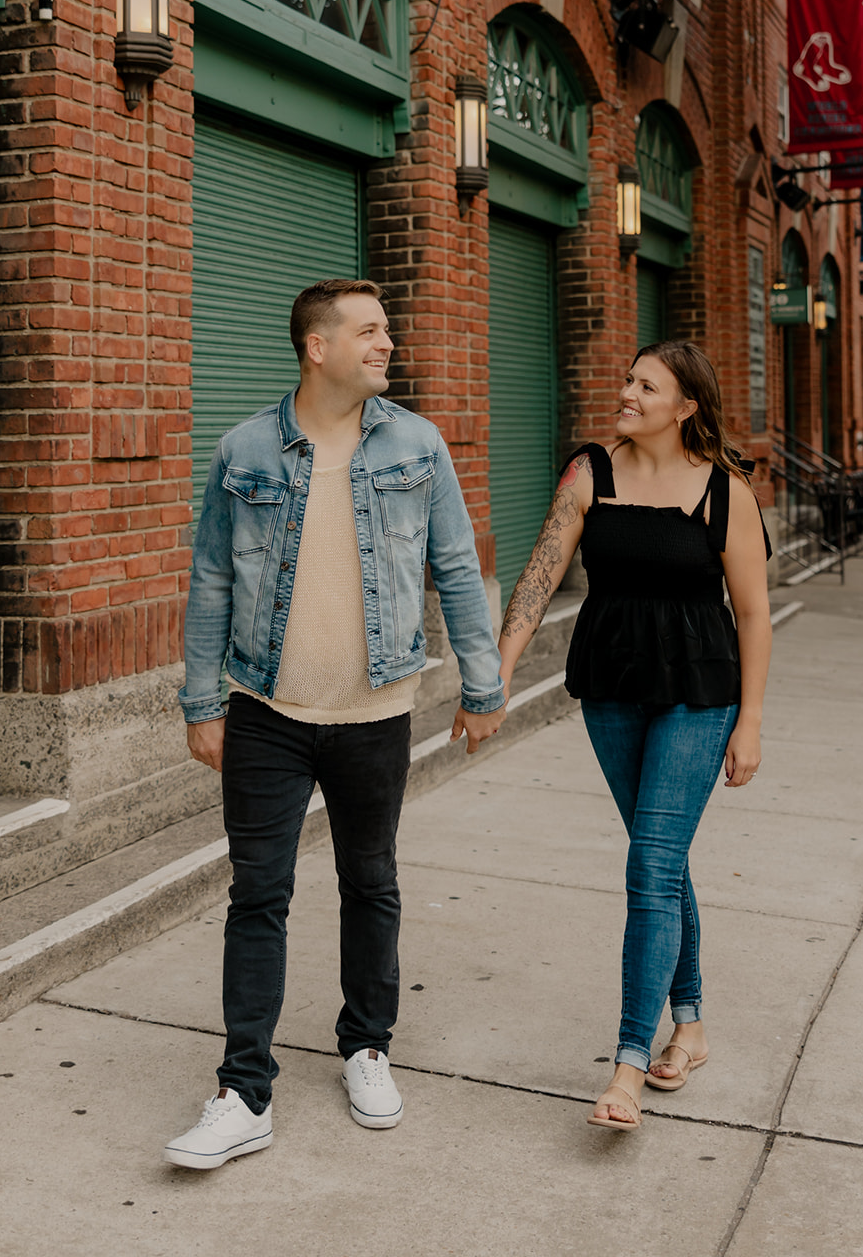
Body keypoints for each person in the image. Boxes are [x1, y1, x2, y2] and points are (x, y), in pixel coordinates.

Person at [166, 278, 506, 1169]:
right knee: (258, 895)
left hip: (374, 714)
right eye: (368, 331)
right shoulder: (244, 449)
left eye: (386, 329)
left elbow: (457, 570)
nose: (385, 343)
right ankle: (244, 1092)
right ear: (317, 347)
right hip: (266, 712)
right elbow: (208, 581)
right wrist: (202, 703)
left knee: (371, 883)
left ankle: (366, 1046)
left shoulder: (418, 444)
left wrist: (483, 682)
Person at [497, 340, 771, 1132]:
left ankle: (624, 1064)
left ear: (685, 406)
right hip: (613, 687)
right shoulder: (591, 473)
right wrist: (500, 669)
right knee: (661, 857)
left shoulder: (726, 492)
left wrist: (749, 722)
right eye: (627, 379)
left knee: (650, 863)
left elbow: (751, 614)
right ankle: (688, 1023)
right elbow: (542, 569)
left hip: (698, 691)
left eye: (644, 385)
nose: (624, 392)